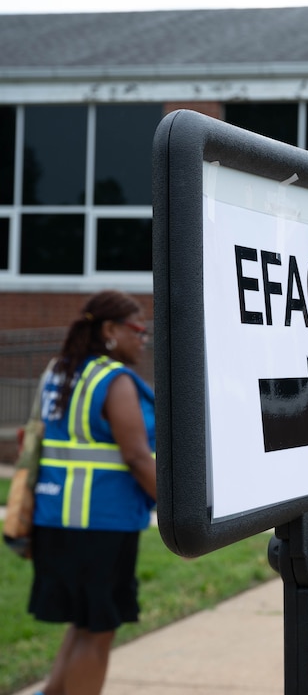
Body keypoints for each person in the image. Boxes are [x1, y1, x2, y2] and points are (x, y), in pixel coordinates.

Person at [29, 290, 157, 695]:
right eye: (137, 329)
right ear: (109, 330)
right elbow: (137, 456)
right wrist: (184, 513)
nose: (143, 338)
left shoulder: (59, 371)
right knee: (99, 631)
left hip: (55, 519)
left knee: (83, 622)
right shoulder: (112, 379)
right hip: (100, 522)